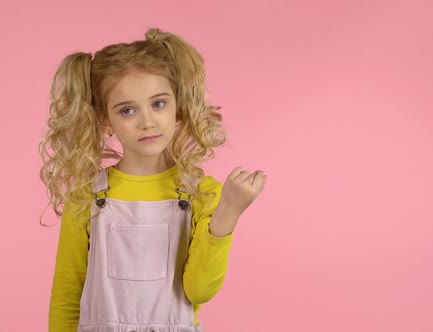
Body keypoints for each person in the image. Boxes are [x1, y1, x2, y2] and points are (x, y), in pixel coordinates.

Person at [39, 27, 267, 332]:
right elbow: (67, 297)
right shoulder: (86, 197)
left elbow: (199, 290)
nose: (147, 121)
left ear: (177, 108)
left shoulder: (203, 194)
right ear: (105, 120)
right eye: (127, 110)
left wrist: (229, 211)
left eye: (158, 104)